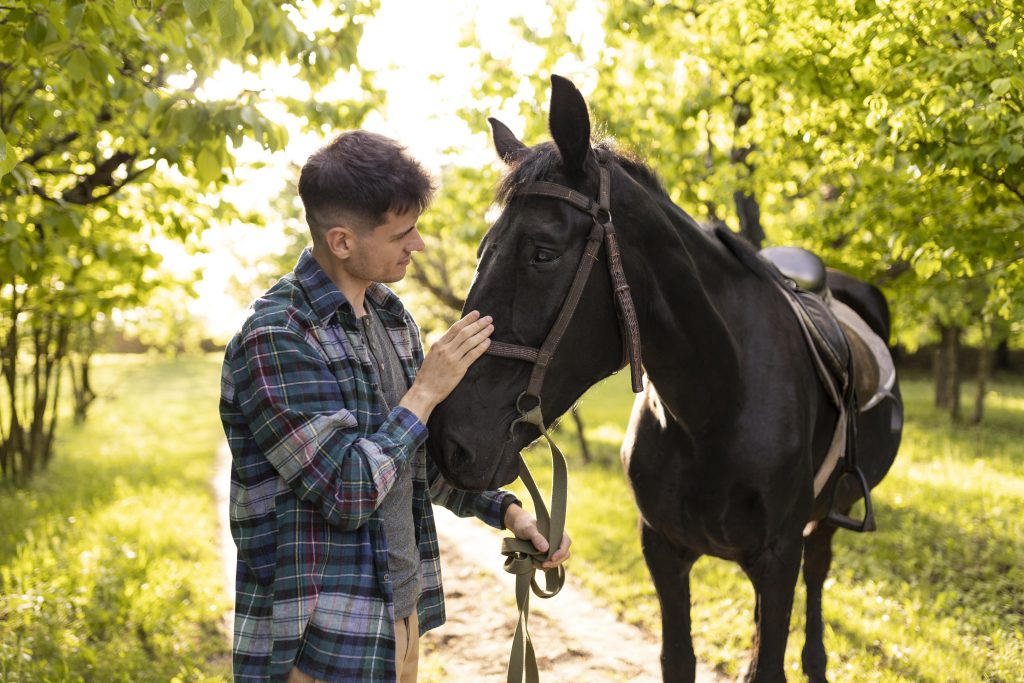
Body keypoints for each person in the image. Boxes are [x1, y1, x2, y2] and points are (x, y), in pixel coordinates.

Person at [219, 130, 571, 683]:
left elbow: (410, 466)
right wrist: (426, 391)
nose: (419, 245)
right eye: (402, 233)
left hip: (398, 618)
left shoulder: (391, 317)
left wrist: (509, 512)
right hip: (316, 644)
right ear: (341, 242)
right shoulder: (277, 337)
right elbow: (349, 491)